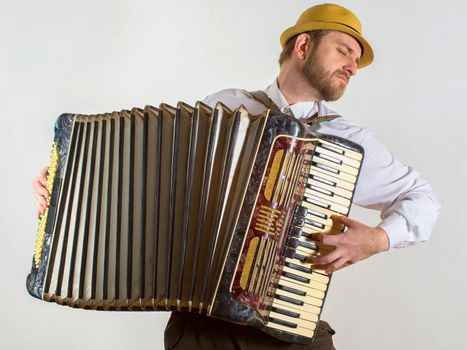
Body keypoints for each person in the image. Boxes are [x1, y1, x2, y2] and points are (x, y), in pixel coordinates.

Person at [32, 3, 441, 350]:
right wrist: (66, 185)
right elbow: (150, 181)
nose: (353, 67)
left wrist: (378, 238)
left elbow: (421, 198)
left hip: (282, 328)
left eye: (356, 60)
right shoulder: (225, 107)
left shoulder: (347, 139)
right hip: (198, 327)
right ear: (304, 45)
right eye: (344, 51)